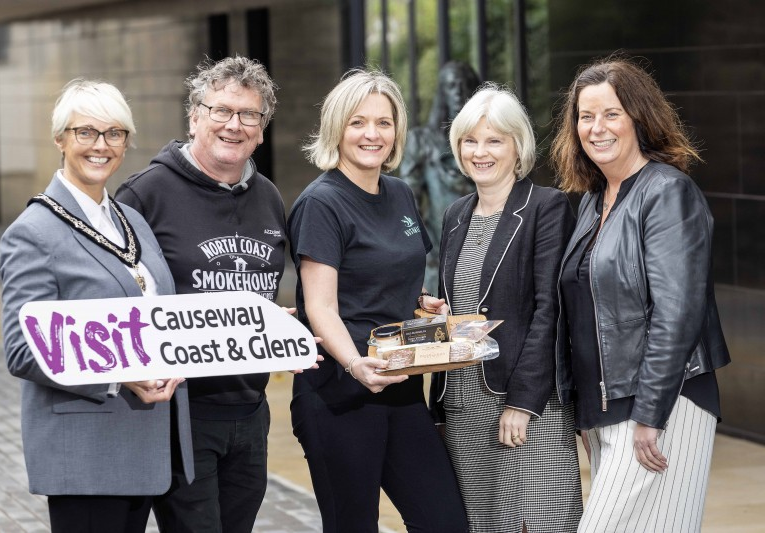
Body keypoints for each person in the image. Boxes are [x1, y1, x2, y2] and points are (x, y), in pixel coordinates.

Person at [0, 79, 194, 533]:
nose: (100, 146)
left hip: (147, 443)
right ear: (60, 138)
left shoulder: (133, 223)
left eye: (114, 133)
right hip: (86, 455)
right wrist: (119, 378)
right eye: (85, 132)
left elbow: (163, 316)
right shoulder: (35, 231)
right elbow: (24, 350)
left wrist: (250, 328)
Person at [550, 56, 731, 531]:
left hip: (663, 404)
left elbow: (678, 313)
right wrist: (585, 416)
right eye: (585, 116)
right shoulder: (593, 201)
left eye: (611, 113)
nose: (597, 128)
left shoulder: (668, 192)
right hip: (607, 410)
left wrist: (651, 412)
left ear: (638, 117)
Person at [287, 70, 468, 533]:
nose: (372, 134)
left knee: (444, 521)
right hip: (340, 392)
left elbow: (399, 279)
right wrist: (354, 365)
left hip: (402, 385)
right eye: (358, 122)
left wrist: (426, 306)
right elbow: (320, 307)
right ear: (336, 129)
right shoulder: (322, 203)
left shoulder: (400, 193)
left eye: (383, 123)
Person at [116, 56, 286, 533]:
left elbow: (261, 297)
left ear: (261, 129)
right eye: (221, 111)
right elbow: (117, 298)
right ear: (194, 116)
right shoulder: (143, 196)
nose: (234, 125)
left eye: (249, 115)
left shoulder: (269, 198)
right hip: (180, 412)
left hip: (251, 412)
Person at [423, 84, 582, 532]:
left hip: (526, 403)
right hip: (463, 404)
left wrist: (523, 403)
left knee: (540, 521)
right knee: (484, 523)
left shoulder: (545, 208)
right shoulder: (456, 214)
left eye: (494, 140)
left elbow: (550, 311)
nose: (480, 152)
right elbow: (455, 309)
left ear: (518, 147)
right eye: (470, 141)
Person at [399, 61, 480, 291]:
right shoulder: (421, 141)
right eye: (451, 86)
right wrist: (425, 246)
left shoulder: (489, 143)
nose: (458, 93)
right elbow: (408, 203)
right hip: (438, 251)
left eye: (464, 86)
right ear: (442, 92)